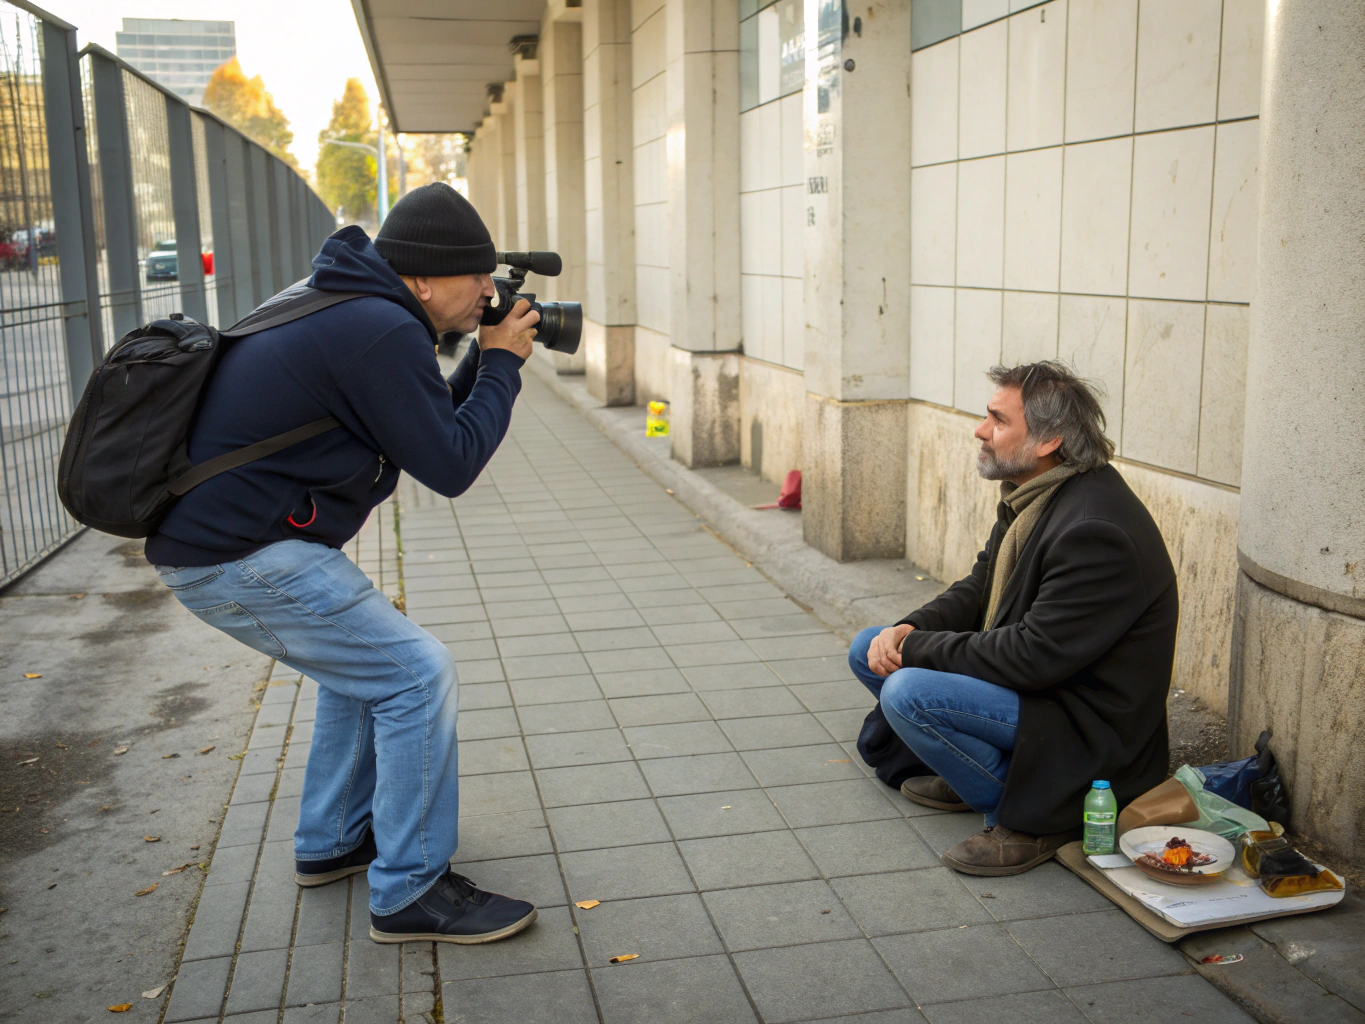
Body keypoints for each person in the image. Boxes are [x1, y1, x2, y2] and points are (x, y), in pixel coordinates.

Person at [147, 184, 543, 943]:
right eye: (478, 276)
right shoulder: (375, 329)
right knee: (414, 673)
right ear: (425, 279)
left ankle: (332, 842)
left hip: (231, 544)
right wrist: (500, 365)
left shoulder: (357, 306)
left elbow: (423, 429)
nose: (490, 292)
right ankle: (409, 891)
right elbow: (452, 465)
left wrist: (488, 362)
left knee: (367, 670)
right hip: (237, 556)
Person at [848, 362, 1178, 876]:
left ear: (1049, 441)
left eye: (998, 420)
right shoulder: (1039, 493)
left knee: (906, 691)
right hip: (1044, 688)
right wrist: (905, 629)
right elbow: (979, 588)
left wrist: (914, 650)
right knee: (869, 646)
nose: (981, 430)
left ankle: (1034, 816)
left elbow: (1032, 657)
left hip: (1086, 727)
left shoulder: (1095, 530)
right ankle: (972, 772)